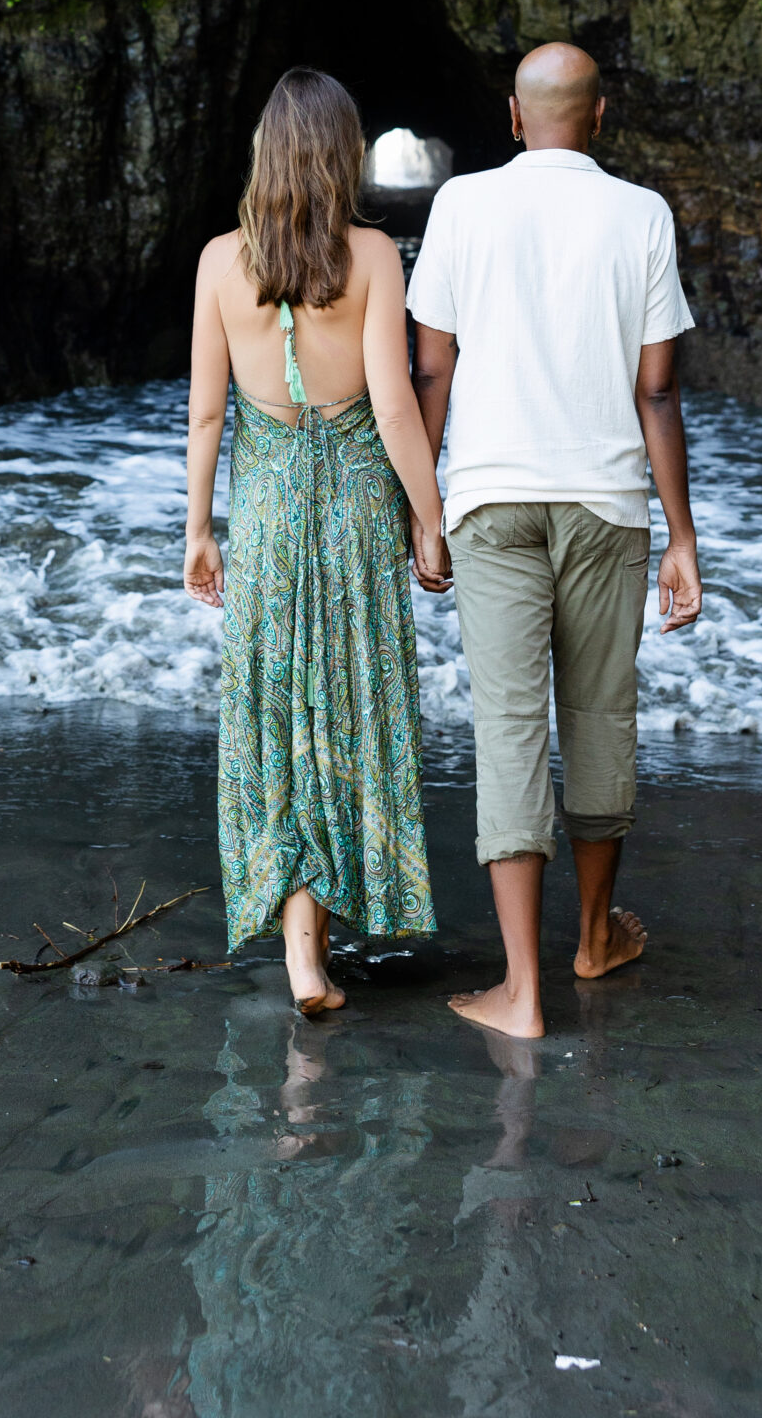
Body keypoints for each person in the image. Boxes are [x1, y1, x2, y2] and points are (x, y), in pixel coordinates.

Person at [407, 40, 702, 1040]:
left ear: (513, 114)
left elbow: (431, 374)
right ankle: (594, 940)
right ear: (602, 117)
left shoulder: (462, 206)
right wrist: (682, 538)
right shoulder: (643, 214)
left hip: (491, 501)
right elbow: (656, 387)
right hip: (609, 504)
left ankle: (523, 989)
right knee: (598, 721)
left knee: (511, 732)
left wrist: (422, 506)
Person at [184, 67, 451, 1013]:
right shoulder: (373, 255)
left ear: (264, 152)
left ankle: (303, 951)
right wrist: (429, 518)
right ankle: (321, 937)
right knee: (343, 707)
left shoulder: (221, 261)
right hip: (352, 510)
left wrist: (198, 530)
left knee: (276, 710)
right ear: (342, 155)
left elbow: (208, 414)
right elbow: (389, 401)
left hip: (261, 514)